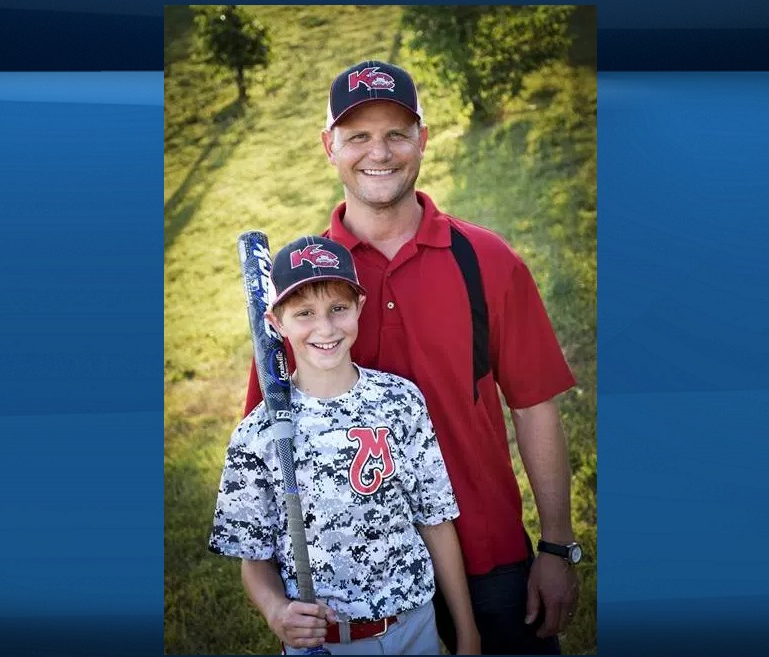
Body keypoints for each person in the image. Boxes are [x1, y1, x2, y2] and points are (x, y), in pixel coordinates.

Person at [245, 61, 583, 654]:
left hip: (490, 560)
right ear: (330, 147)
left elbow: (534, 408)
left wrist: (556, 545)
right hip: (360, 584)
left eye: (397, 133)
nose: (380, 152)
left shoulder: (487, 260)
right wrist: (276, 597)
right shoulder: (303, 293)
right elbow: (271, 451)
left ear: (422, 139)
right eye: (358, 136)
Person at [212, 235, 481, 655]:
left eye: (338, 308)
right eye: (304, 314)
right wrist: (276, 611)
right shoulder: (258, 436)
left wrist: (467, 632)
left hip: (415, 627)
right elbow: (254, 559)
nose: (325, 328)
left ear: (359, 307)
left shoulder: (401, 401)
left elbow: (435, 520)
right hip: (327, 643)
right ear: (277, 323)